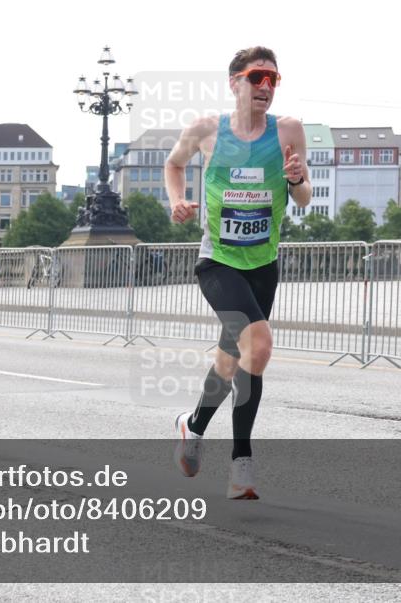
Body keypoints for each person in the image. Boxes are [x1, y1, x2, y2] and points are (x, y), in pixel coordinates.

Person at [163, 46, 311, 499]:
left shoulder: (289, 130)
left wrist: (296, 178)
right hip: (218, 262)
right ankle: (241, 464)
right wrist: (176, 201)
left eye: (273, 78)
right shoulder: (207, 130)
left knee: (232, 358)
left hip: (264, 264)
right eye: (256, 76)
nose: (265, 86)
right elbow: (174, 164)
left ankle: (193, 425)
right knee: (259, 345)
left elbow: (303, 201)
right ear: (235, 83)